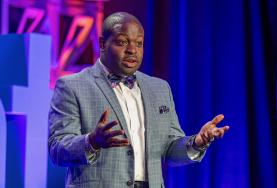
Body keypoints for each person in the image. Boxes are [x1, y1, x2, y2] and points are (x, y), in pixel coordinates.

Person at [48, 12, 229, 188]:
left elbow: (169, 149)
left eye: (139, 43)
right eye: (122, 42)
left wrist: (197, 142)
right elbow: (57, 149)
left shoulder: (159, 88)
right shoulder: (72, 86)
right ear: (103, 43)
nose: (132, 50)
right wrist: (91, 142)